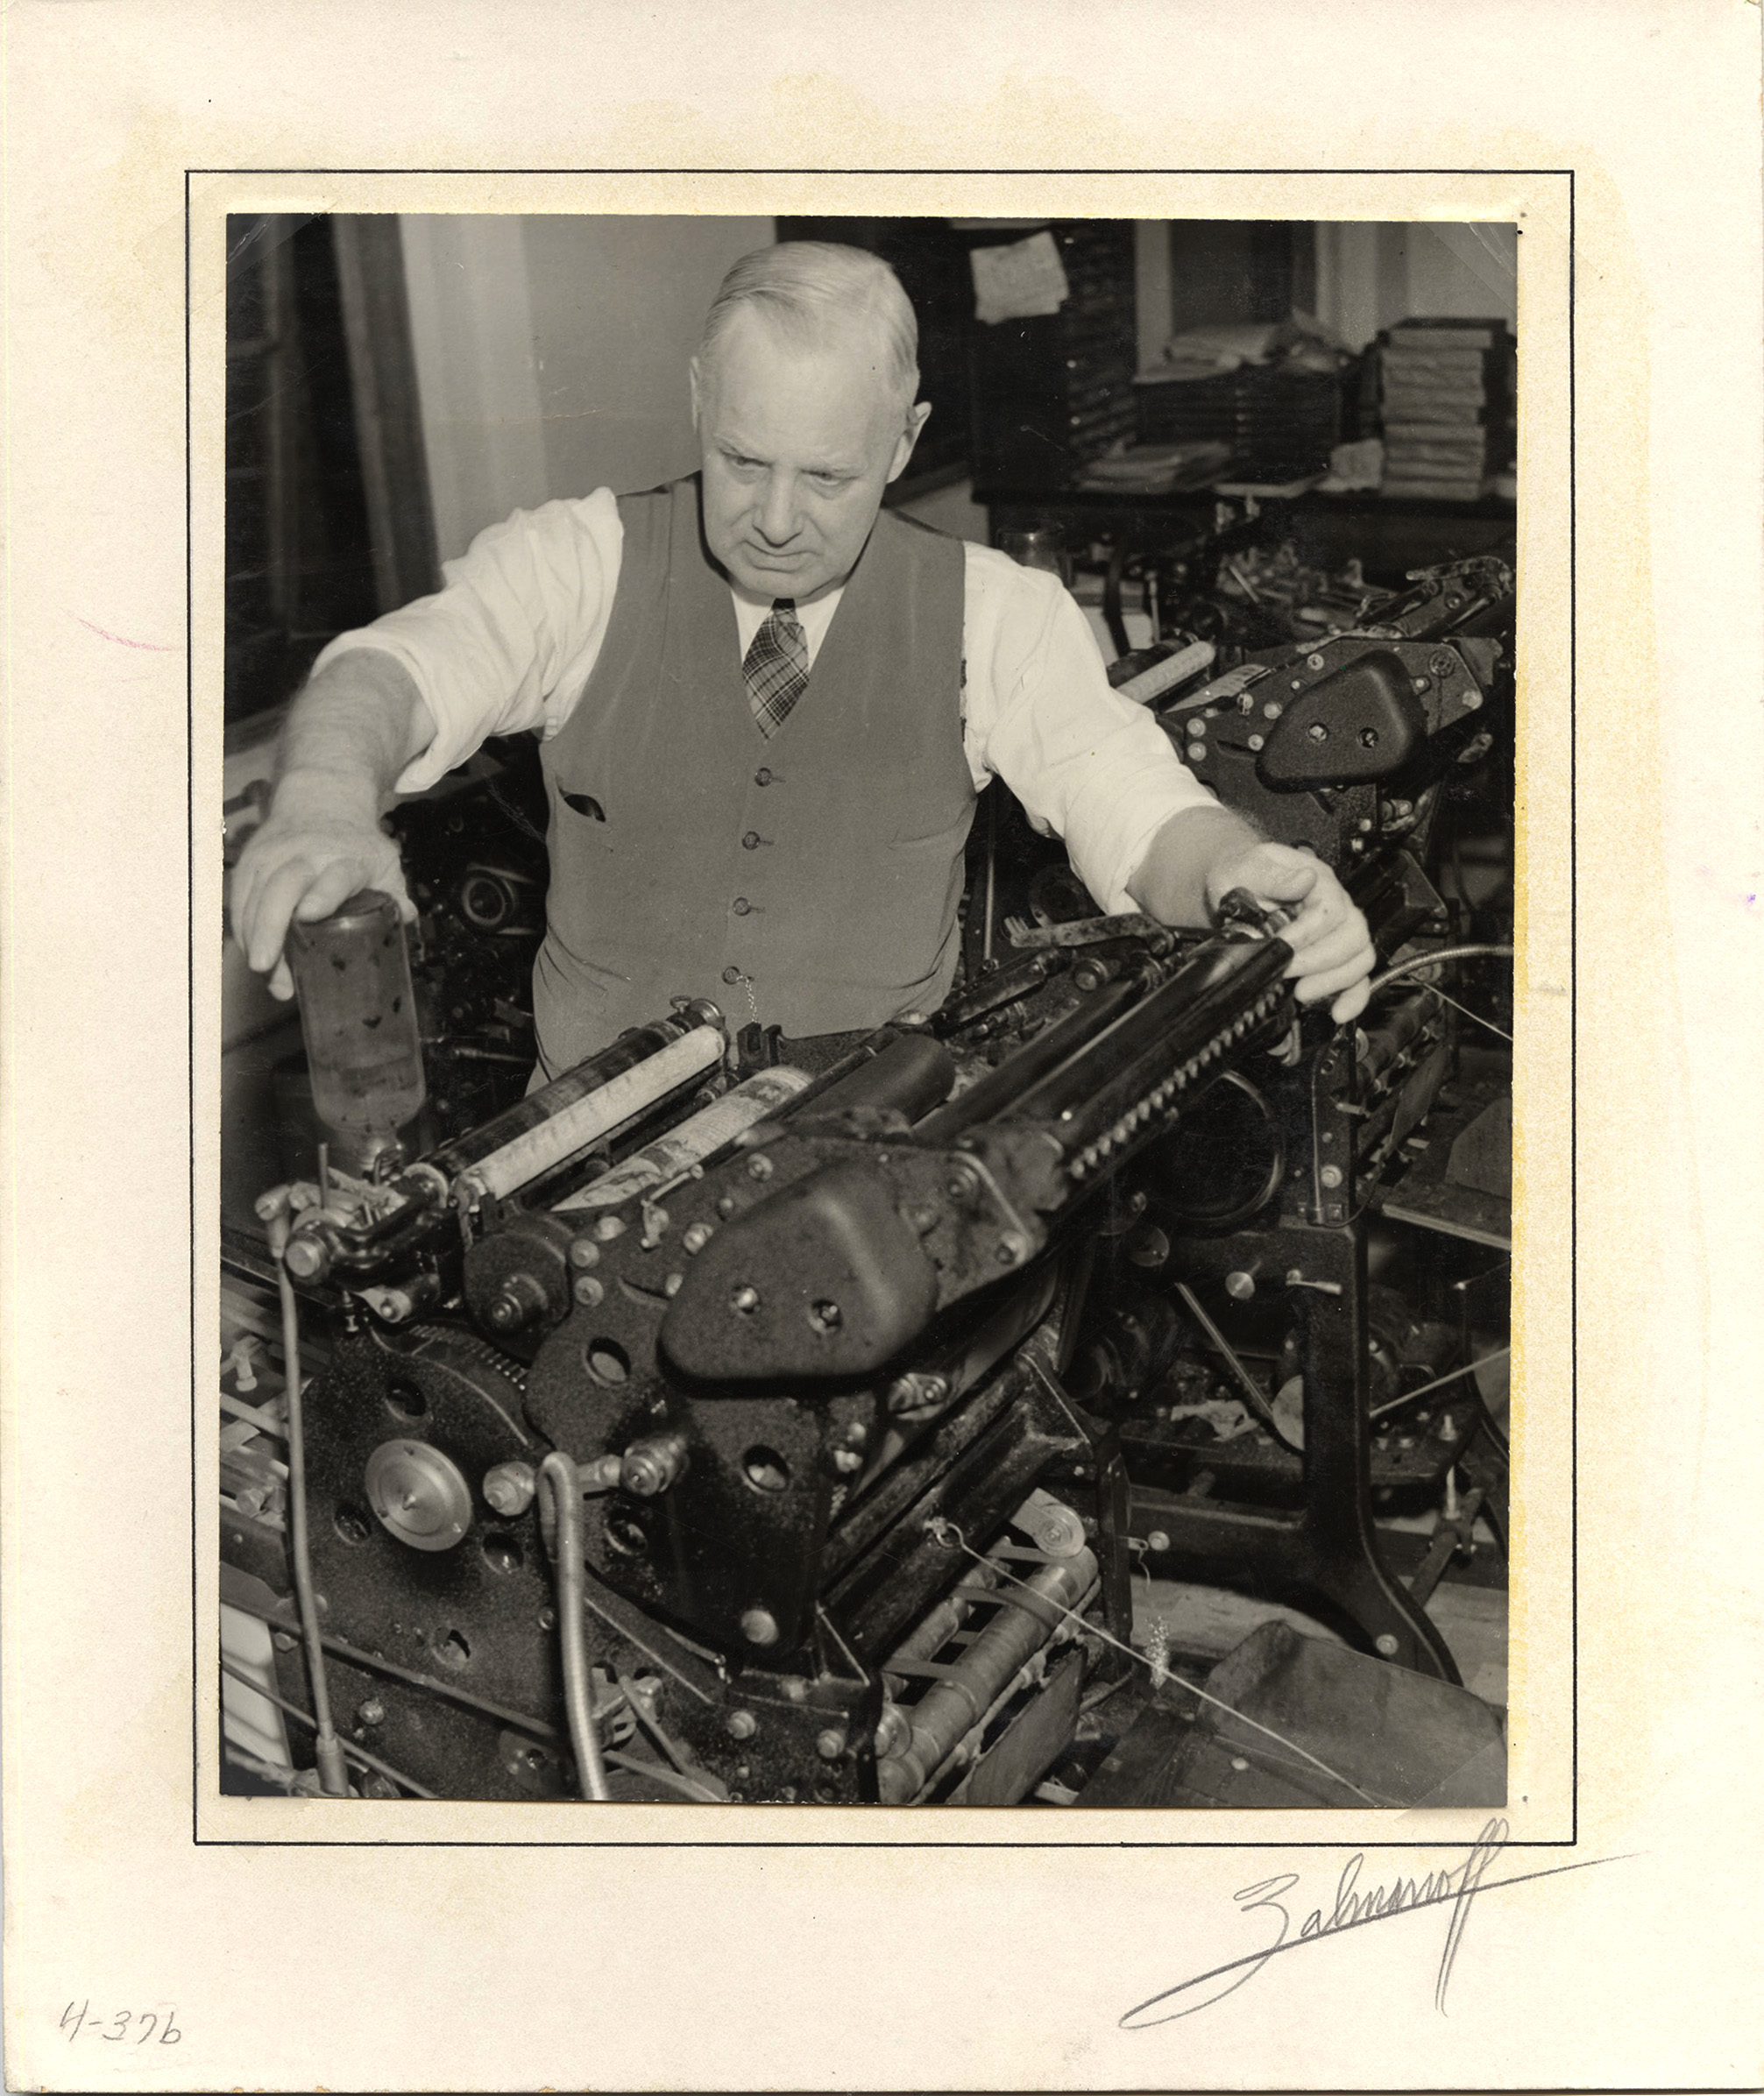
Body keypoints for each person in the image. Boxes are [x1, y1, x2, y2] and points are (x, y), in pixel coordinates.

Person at [231, 241, 1374, 1083]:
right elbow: (393, 669)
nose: (775, 519)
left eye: (825, 477)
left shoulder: (995, 614)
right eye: (741, 460)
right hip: (580, 1164)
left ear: (905, 441)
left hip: (869, 1169)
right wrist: (325, 800)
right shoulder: (577, 563)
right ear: (697, 403)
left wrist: (1237, 872)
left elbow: (1129, 803)